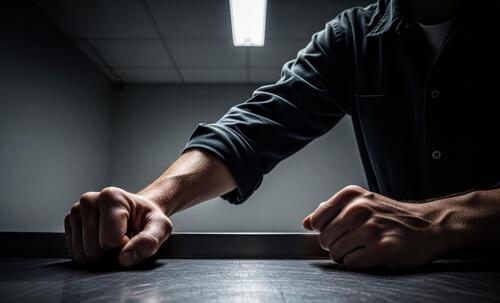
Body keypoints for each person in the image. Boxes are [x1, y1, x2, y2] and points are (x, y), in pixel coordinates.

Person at [64, 0, 499, 269]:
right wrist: (153, 200)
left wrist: (437, 221)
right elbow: (254, 130)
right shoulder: (354, 38)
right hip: (412, 299)